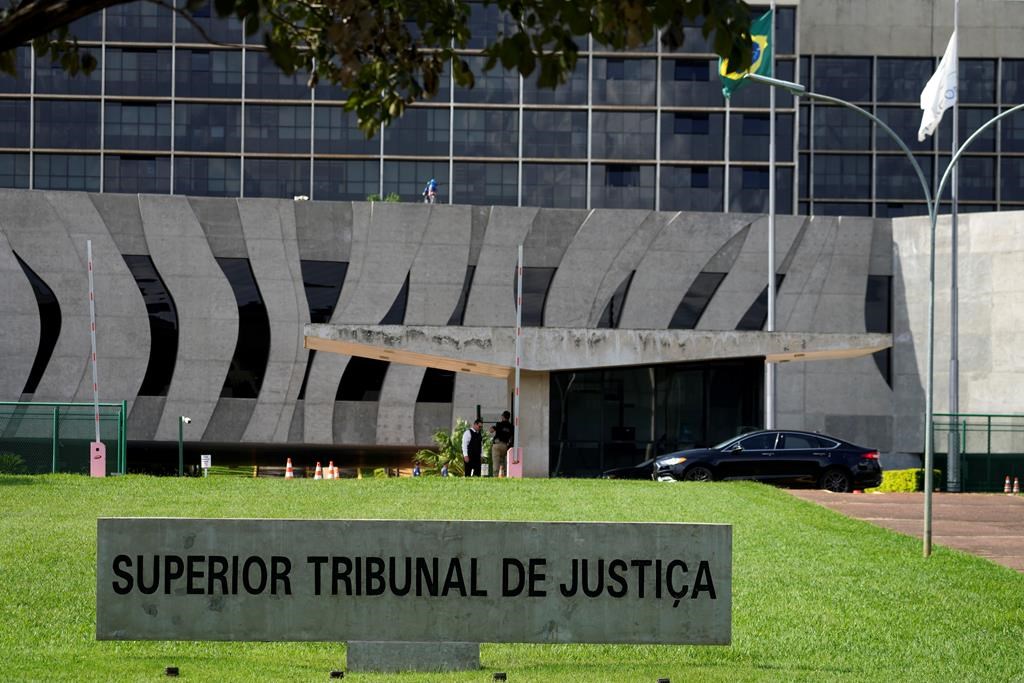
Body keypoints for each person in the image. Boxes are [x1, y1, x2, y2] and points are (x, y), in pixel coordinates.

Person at [490, 410, 513, 477]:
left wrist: (492, 428)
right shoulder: (511, 426)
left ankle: (495, 476)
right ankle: (505, 475)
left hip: (497, 445)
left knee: (496, 461)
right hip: (505, 445)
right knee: (503, 461)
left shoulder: (499, 424)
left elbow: (491, 430)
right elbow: (512, 437)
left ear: (502, 417)